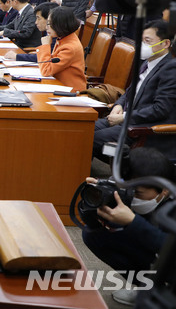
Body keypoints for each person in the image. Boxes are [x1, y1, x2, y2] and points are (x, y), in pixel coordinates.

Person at [82, 147, 174, 306]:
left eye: (137, 193)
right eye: (126, 189)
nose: (131, 197)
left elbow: (171, 247)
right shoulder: (130, 189)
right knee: (94, 234)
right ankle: (149, 288)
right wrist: (95, 198)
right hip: (153, 251)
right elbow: (97, 224)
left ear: (164, 191)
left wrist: (133, 222)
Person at [92, 20, 176, 162]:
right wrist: (118, 105)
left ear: (166, 43)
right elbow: (130, 92)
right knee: (82, 130)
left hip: (142, 130)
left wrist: (125, 116)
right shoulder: (147, 62)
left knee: (91, 139)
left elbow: (160, 109)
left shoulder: (170, 68)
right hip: (125, 119)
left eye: (147, 41)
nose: (142, 45)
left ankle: (114, 174)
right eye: (141, 40)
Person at [36, 6, 86, 92]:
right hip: (58, 86)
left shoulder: (69, 47)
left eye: (50, 24)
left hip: (71, 91)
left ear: (60, 25)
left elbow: (46, 70)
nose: (47, 27)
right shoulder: (63, 38)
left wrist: (45, 46)